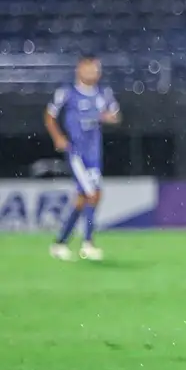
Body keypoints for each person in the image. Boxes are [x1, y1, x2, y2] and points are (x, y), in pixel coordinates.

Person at [46, 55, 120, 262]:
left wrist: (107, 117)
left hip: (94, 153)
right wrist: (58, 137)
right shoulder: (67, 93)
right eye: (90, 68)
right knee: (93, 194)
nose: (94, 72)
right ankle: (88, 244)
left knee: (82, 200)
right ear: (80, 69)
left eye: (97, 68)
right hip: (76, 153)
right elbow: (49, 115)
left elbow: (116, 115)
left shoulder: (103, 93)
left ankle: (60, 243)